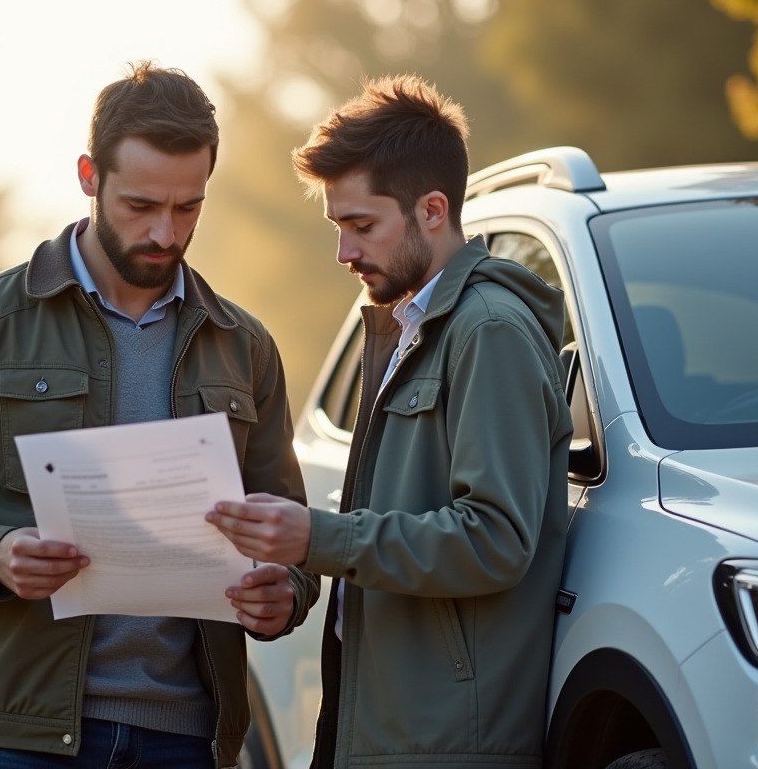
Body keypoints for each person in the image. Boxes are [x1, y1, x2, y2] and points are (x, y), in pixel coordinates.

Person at [0, 61, 319, 769]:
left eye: (188, 207)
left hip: (186, 739)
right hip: (14, 735)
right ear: (88, 176)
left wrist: (282, 594)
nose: (165, 233)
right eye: (141, 206)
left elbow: (288, 533)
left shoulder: (245, 346)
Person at [207, 75, 574, 769]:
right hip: (384, 732)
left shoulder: (488, 334)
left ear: (433, 210)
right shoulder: (415, 328)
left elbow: (497, 539)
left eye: (362, 225)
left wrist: (318, 536)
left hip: (446, 745)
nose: (344, 252)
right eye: (338, 226)